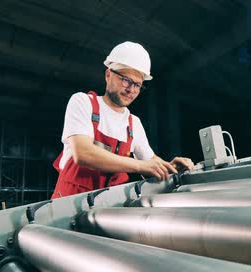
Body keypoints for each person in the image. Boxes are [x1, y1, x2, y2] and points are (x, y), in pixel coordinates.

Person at [51, 41, 194, 199]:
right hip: (68, 204)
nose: (131, 90)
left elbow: (151, 163)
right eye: (126, 80)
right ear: (108, 75)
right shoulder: (83, 102)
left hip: (109, 207)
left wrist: (170, 168)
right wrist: (140, 165)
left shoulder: (134, 123)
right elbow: (83, 153)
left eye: (138, 85)